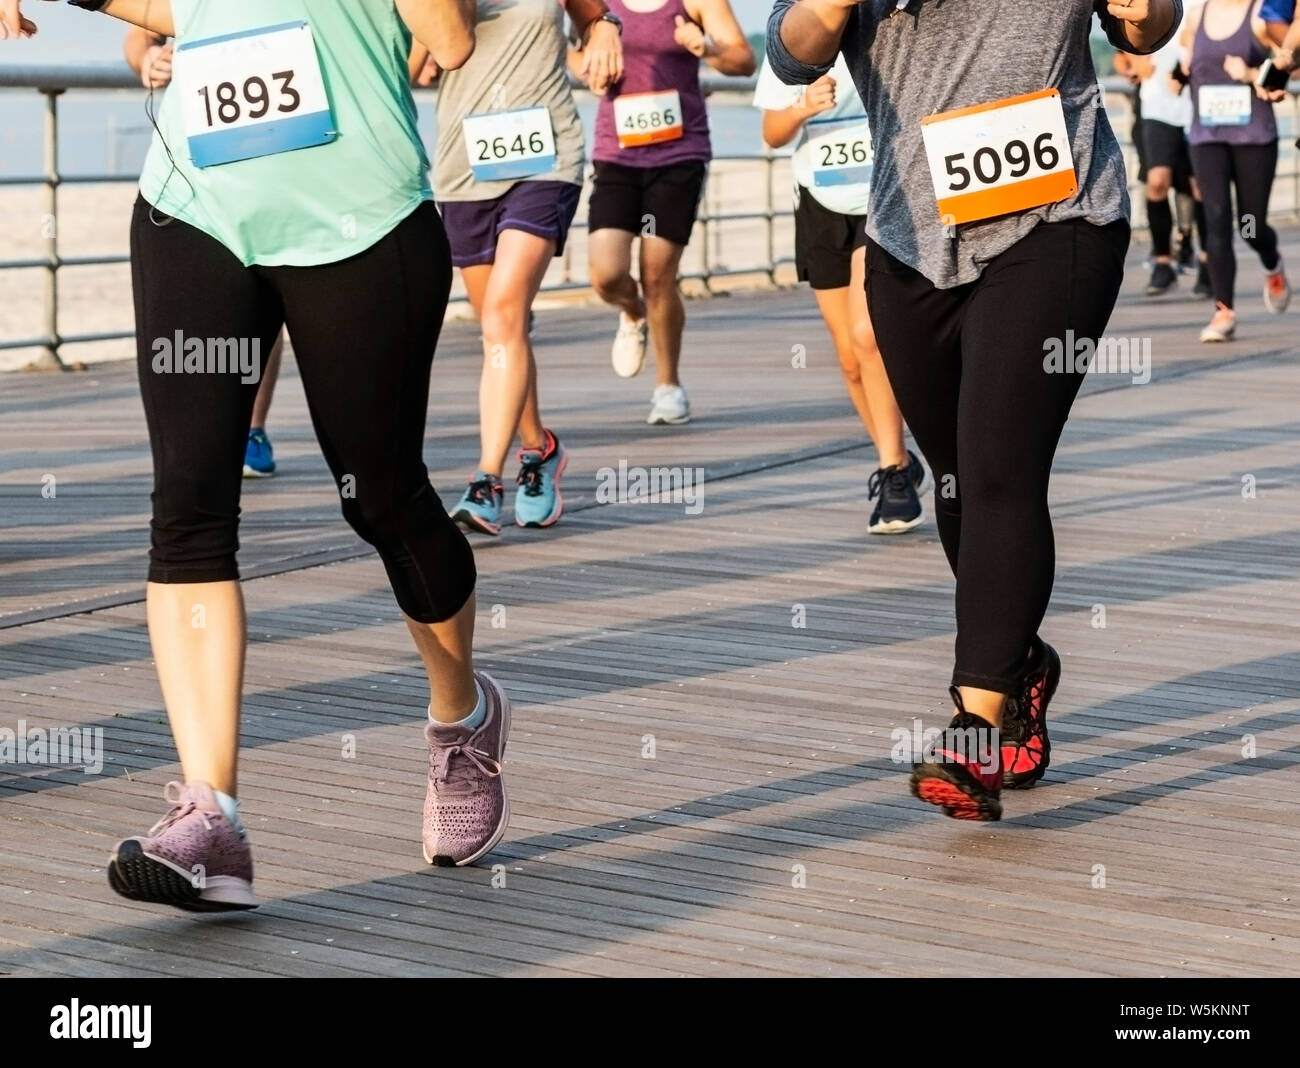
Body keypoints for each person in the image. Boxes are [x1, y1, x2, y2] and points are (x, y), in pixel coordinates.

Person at [3, 0, 512, 909]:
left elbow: (449, 38)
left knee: (383, 498)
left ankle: (459, 716)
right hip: (196, 213)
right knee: (189, 508)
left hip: (360, 219)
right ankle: (212, 818)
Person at [768, 0, 1181, 821]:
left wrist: (1146, 14)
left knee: (1000, 467)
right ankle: (1018, 660)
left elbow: (1146, 25)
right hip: (910, 237)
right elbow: (793, 56)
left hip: (1057, 217)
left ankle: (975, 726)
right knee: (958, 480)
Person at [413, 0, 621, 535]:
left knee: (505, 313)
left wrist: (605, 30)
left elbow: (592, 17)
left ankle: (486, 480)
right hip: (463, 168)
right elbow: (411, 68)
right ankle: (539, 449)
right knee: (500, 329)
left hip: (545, 159)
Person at [751, 55, 930, 533]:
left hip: (884, 198)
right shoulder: (792, 36)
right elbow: (772, 133)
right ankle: (899, 460)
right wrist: (802, 107)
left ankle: (893, 472)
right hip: (823, 205)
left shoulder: (884, 25)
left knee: (867, 334)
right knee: (850, 359)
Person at [575, 0, 754, 426]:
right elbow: (567, 47)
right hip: (617, 153)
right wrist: (590, 66)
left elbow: (744, 61)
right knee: (605, 273)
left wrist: (705, 47)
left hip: (679, 154)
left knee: (658, 274)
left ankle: (668, 385)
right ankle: (633, 312)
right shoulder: (599, 4)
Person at [124, 25, 286, 477]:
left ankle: (252, 428)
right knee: (204, 303)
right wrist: (147, 60)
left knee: (268, 286)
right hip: (200, 153)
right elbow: (139, 37)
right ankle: (214, 434)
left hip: (288, 144)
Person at [1181, 0, 1291, 343]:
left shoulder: (1263, 15)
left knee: (1250, 225)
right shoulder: (1198, 14)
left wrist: (1250, 74)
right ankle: (1223, 309)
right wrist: (1177, 76)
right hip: (1206, 137)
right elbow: (1186, 62)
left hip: (1253, 138)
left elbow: (1291, 65)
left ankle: (1271, 261)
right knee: (1214, 218)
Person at [1117, 37, 1212, 296]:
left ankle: (1207, 261)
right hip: (1156, 106)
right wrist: (1133, 60)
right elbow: (1123, 39)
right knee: (1157, 182)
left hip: (1198, 104)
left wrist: (1185, 69)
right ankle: (1162, 262)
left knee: (1200, 187)